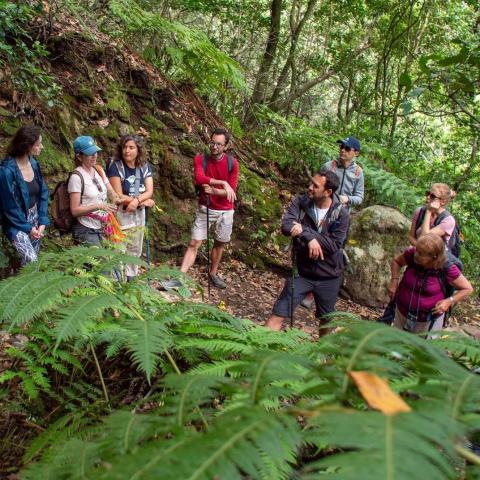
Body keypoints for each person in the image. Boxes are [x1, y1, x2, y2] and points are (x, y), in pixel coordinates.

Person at [266, 171, 349, 331]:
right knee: (279, 312)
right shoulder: (301, 202)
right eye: (311, 183)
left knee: (327, 321)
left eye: (315, 186)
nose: (309, 187)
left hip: (329, 276)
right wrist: (309, 238)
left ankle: (322, 355)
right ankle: (256, 350)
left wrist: (304, 230)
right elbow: (286, 225)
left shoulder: (341, 214)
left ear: (328, 192)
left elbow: (333, 245)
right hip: (301, 273)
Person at [164, 128, 239, 290]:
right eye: (212, 142)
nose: (214, 147)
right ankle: (180, 278)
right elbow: (199, 178)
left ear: (225, 146)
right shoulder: (200, 159)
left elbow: (231, 192)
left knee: (220, 243)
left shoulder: (232, 163)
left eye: (219, 144)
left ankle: (213, 273)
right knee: (194, 242)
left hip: (226, 210)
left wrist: (215, 190)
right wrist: (222, 183)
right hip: (206, 207)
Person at [302, 135, 364, 308]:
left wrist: (347, 199)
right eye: (341, 147)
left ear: (355, 153)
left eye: (347, 148)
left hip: (340, 217)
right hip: (321, 213)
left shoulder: (358, 173)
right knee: (314, 244)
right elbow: (316, 185)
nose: (342, 150)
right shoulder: (329, 166)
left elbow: (360, 197)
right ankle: (307, 289)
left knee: (332, 251)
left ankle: (323, 291)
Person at [388, 233, 472, 334]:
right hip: (402, 314)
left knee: (420, 348)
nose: (416, 255)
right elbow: (397, 261)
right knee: (398, 345)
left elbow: (467, 288)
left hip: (428, 321)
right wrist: (394, 281)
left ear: (434, 257)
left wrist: (449, 301)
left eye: (420, 254)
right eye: (417, 250)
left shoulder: (446, 268)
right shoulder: (412, 254)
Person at [107, 134, 154, 281]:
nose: (127, 151)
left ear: (138, 150)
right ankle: (118, 281)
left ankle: (131, 279)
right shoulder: (116, 167)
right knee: (119, 248)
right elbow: (118, 195)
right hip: (121, 215)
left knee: (135, 248)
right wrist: (140, 202)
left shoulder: (144, 166)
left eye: (131, 147)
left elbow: (149, 191)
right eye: (125, 147)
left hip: (138, 216)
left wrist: (137, 200)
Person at [0, 126, 49, 265]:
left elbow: (43, 192)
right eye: (38, 144)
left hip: (35, 218)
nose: (42, 147)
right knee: (32, 261)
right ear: (27, 146)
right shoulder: (6, 171)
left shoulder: (33, 164)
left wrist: (42, 221)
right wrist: (28, 228)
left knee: (28, 264)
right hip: (16, 223)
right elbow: (9, 206)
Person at [68, 136, 118, 246]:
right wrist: (99, 206)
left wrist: (115, 203)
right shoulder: (76, 177)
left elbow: (112, 194)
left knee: (112, 261)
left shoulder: (98, 170)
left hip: (103, 225)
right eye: (90, 153)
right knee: (100, 262)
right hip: (85, 228)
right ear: (79, 157)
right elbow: (75, 210)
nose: (94, 155)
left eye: (95, 152)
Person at [408, 183, 457, 252]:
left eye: (432, 196)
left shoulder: (448, 220)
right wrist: (420, 250)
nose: (428, 197)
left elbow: (424, 238)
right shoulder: (420, 211)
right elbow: (411, 237)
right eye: (428, 193)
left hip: (436, 259)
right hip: (418, 253)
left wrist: (428, 211)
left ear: (442, 202)